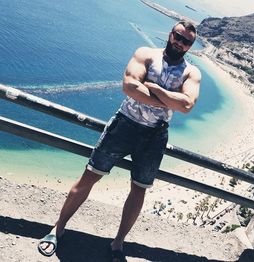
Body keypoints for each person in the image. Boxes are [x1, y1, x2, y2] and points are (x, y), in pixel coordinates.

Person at [37, 20, 201, 262]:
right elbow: (129, 87)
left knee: (138, 191)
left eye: (187, 41)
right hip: (124, 126)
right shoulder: (146, 54)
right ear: (170, 34)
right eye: (178, 36)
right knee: (89, 176)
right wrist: (169, 101)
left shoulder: (191, 72)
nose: (181, 42)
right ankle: (57, 228)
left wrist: (155, 88)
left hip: (155, 136)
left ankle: (118, 244)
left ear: (190, 46)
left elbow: (187, 105)